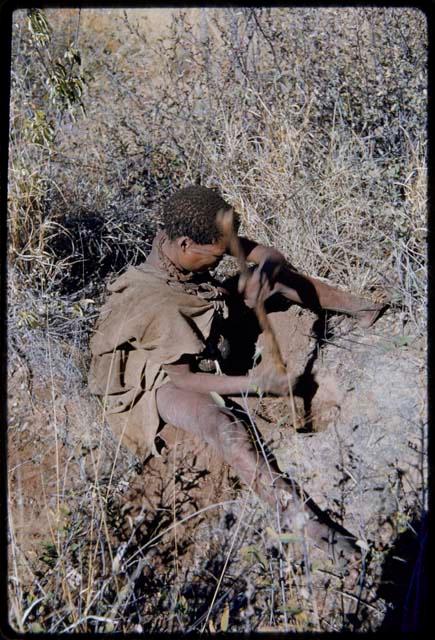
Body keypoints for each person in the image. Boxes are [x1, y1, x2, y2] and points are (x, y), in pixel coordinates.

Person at [88, 185, 386, 568]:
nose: (218, 263)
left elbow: (267, 255)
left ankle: (366, 309)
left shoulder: (191, 240)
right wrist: (258, 385)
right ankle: (307, 524)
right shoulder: (157, 305)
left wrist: (266, 270)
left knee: (276, 278)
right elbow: (186, 380)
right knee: (222, 426)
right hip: (160, 382)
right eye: (213, 258)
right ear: (183, 245)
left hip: (201, 334)